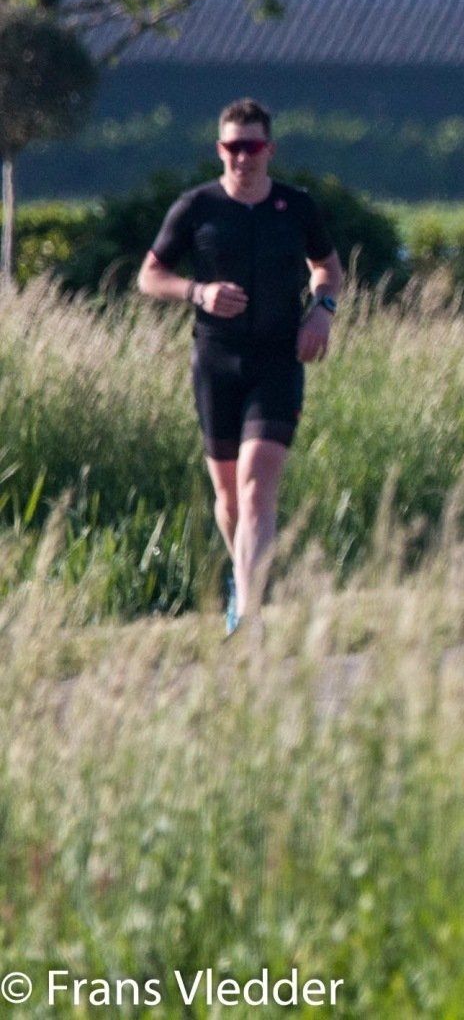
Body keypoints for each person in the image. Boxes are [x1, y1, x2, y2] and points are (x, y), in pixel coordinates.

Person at [136, 98, 342, 635]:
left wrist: (321, 312)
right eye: (233, 147)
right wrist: (197, 292)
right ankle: (242, 579)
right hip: (216, 362)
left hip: (278, 360)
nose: (242, 158)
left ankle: (249, 617)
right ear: (220, 149)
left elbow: (327, 267)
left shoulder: (296, 207)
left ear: (269, 149)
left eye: (252, 147)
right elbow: (149, 276)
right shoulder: (196, 207)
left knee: (255, 487)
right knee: (228, 497)